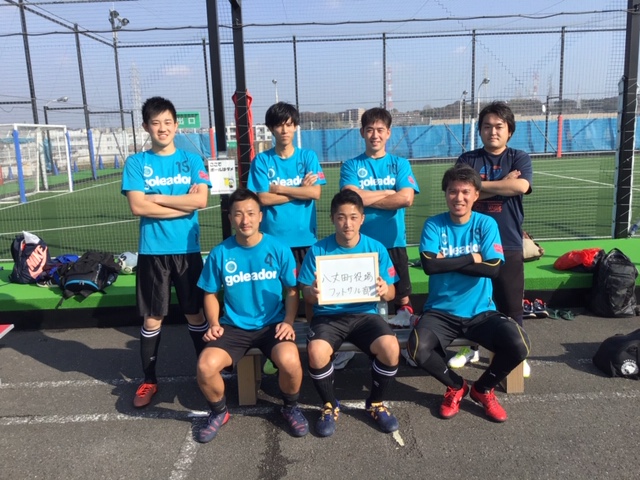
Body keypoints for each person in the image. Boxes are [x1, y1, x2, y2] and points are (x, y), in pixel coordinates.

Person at [405, 165, 530, 422]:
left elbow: (493, 269)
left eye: (465, 192)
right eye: (453, 191)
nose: (459, 198)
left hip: (481, 312)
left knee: (519, 345)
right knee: (417, 348)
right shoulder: (434, 225)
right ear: (445, 194)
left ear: (476, 195)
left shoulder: (486, 223)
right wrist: (473, 258)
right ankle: (456, 386)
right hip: (440, 312)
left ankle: (482, 389)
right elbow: (430, 266)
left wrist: (446, 262)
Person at [195, 188, 308, 443]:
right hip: (234, 327)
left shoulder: (279, 248)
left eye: (250, 213)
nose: (245, 220)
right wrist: (213, 323)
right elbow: (210, 293)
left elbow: (292, 290)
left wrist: (288, 322)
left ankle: (290, 407)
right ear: (230, 218)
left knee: (290, 362)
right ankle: (219, 412)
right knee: (205, 366)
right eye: (238, 214)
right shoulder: (220, 253)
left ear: (260, 216)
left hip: (272, 325)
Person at [121, 96, 211, 408]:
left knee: (195, 314)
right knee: (152, 320)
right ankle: (148, 380)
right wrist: (181, 204)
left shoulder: (193, 161)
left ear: (175, 125)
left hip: (187, 249)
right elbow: (137, 206)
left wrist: (156, 198)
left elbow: (200, 201)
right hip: (153, 252)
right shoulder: (136, 163)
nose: (162, 128)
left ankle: (208, 373)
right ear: (146, 126)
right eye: (156, 122)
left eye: (168, 122)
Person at [246, 102, 344, 371]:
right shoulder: (262, 161)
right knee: (275, 295)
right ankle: (273, 350)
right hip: (272, 242)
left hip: (305, 240)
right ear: (271, 129)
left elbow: (315, 193)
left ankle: (315, 342)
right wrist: (297, 189)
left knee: (311, 295)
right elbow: (261, 198)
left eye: (289, 124)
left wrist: (278, 188)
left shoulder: (308, 157)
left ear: (295, 127)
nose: (285, 130)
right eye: (279, 125)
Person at [298, 189, 400, 437]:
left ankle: (375, 403)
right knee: (316, 351)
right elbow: (306, 293)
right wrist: (312, 291)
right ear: (333, 219)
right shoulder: (318, 250)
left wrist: (384, 290)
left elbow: (392, 293)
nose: (347, 224)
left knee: (391, 347)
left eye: (353, 217)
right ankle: (329, 405)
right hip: (328, 317)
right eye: (341, 217)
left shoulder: (376, 248)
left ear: (362, 219)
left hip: (366, 315)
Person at [452, 101, 533, 377]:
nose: (493, 131)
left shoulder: (519, 158)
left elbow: (520, 185)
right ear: (480, 130)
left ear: (510, 130)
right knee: (471, 300)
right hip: (470, 242)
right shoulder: (468, 159)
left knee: (511, 304)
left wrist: (476, 187)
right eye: (487, 126)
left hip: (507, 240)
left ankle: (517, 353)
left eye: (499, 126)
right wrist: (502, 185)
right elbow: (460, 193)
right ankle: (471, 347)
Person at [339, 107, 420, 326]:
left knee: (402, 296)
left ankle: (404, 334)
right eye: (369, 130)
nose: (375, 135)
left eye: (380, 130)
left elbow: (406, 198)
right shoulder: (351, 165)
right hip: (361, 243)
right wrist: (387, 192)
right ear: (362, 132)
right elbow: (350, 198)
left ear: (388, 133)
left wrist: (364, 197)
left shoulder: (400, 164)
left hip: (394, 241)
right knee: (362, 292)